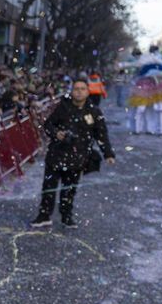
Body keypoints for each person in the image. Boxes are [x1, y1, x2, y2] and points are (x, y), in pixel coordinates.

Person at [31, 78, 115, 228]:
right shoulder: (63, 107)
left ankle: (66, 216)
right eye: (76, 89)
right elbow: (48, 124)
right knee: (49, 186)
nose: (79, 92)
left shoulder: (94, 111)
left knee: (70, 189)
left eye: (83, 89)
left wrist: (108, 153)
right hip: (57, 154)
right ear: (72, 91)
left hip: (78, 157)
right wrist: (56, 133)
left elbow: (101, 134)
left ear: (88, 92)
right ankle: (44, 215)